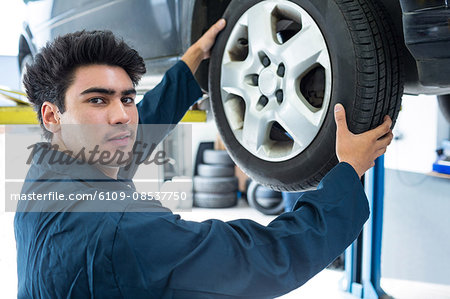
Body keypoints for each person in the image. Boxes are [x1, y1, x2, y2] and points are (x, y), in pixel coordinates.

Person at [14, 19, 394, 298]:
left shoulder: (49, 172)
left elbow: (130, 137)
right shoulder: (122, 230)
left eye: (127, 98)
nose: (121, 116)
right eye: (97, 100)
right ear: (52, 115)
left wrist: (187, 66)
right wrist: (348, 172)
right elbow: (264, 259)